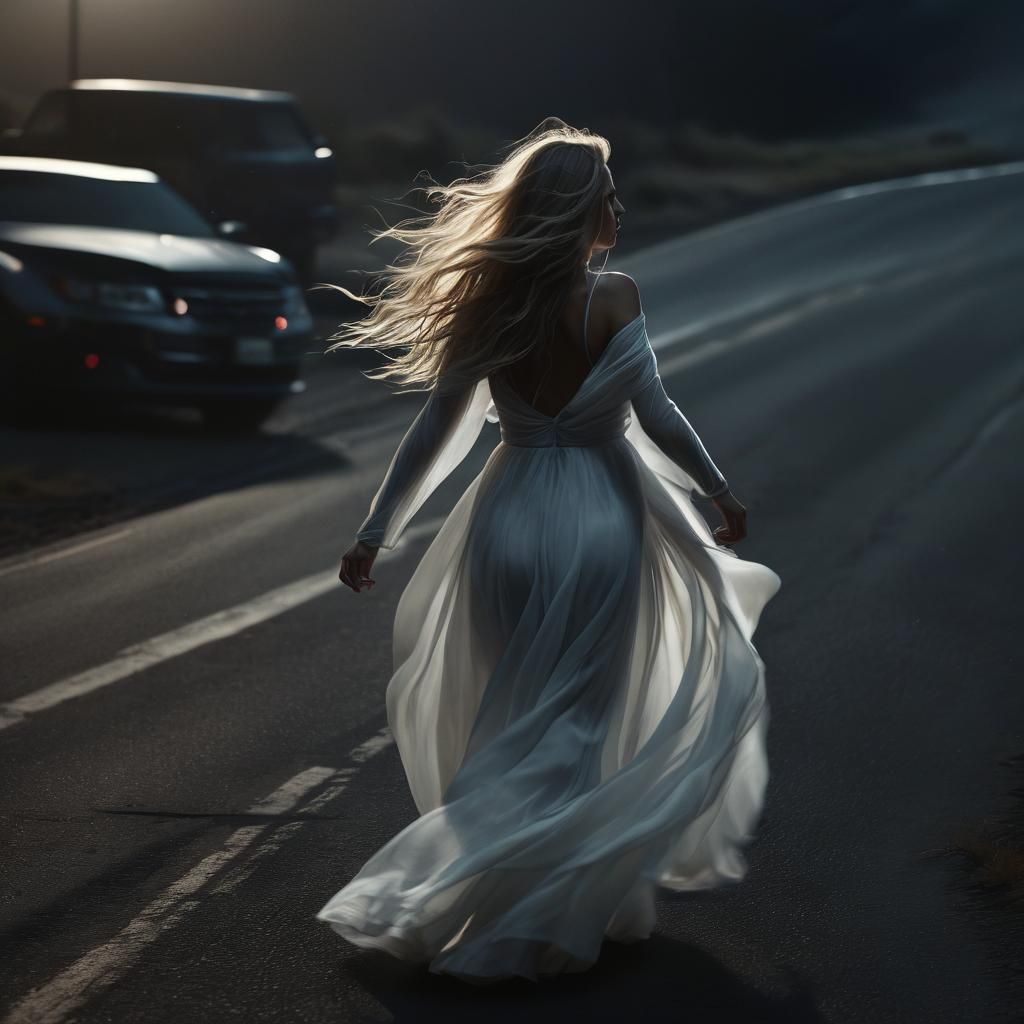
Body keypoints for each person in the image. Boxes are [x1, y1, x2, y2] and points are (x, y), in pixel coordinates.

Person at [315, 117, 782, 985]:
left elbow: (435, 431)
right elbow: (659, 414)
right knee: (574, 725)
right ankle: (540, 918)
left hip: (508, 519)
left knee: (515, 715)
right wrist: (719, 490)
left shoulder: (488, 299)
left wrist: (375, 530)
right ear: (579, 210)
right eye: (609, 196)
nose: (621, 208)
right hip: (601, 520)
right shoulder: (616, 296)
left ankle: (501, 899)